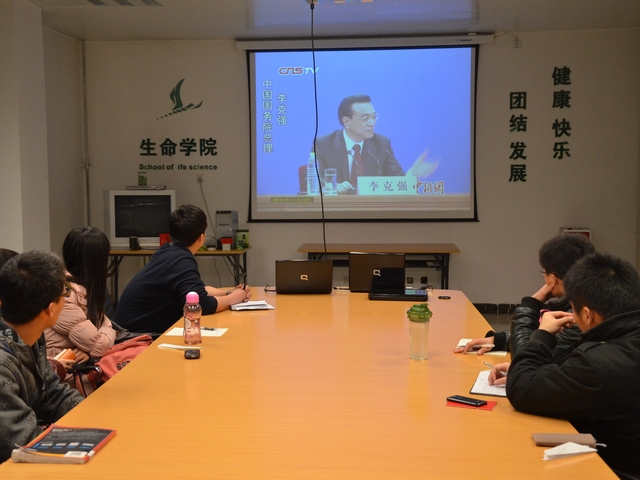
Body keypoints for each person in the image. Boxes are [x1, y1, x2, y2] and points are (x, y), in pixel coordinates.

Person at [492, 253, 640, 479]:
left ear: (587, 315)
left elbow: (521, 388)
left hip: (610, 469)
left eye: (574, 311)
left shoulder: (596, 363)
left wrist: (542, 334)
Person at [114, 205, 251, 335]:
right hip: (136, 338)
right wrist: (234, 298)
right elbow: (201, 304)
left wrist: (229, 292)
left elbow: (195, 291)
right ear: (202, 237)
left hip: (128, 330)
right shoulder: (181, 260)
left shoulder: (168, 251)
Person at [0, 251, 84, 463]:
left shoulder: (31, 336)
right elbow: (21, 441)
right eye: (65, 292)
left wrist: (94, 417)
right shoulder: (3, 364)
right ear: (50, 309)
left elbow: (52, 393)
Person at [454, 234, 595, 356]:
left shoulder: (578, 318)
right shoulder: (583, 301)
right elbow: (545, 338)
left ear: (553, 278)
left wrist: (531, 304)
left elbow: (524, 361)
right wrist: (501, 340)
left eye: (544, 272)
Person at [314, 94, 430, 194]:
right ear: (347, 122)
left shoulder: (381, 144)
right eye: (366, 118)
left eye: (374, 117)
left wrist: (411, 175)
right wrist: (332, 187)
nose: (372, 123)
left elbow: (396, 181)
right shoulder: (323, 144)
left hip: (373, 209)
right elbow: (313, 180)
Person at [45, 227, 116, 372]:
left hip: (76, 368)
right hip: (62, 373)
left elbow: (98, 337)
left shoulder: (83, 288)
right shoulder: (64, 293)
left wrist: (89, 349)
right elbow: (99, 345)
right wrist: (109, 331)